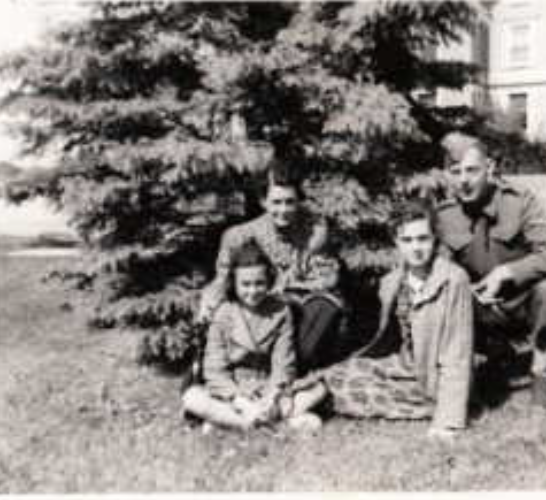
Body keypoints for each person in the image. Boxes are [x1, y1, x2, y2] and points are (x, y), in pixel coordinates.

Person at [434, 131, 546, 408]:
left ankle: (543, 378)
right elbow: (441, 270)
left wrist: (507, 272)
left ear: (490, 168)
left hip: (523, 303)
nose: (464, 180)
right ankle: (488, 360)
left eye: (472, 170)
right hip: (479, 305)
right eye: (456, 172)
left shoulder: (519, 201)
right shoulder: (445, 214)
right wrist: (465, 289)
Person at [323, 200, 474, 441]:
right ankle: (295, 407)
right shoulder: (392, 281)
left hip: (434, 376)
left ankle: (430, 407)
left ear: (435, 239)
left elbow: (457, 353)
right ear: (397, 242)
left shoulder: (453, 279)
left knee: (356, 389)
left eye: (423, 239)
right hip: (403, 365)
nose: (416, 248)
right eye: (407, 240)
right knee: (337, 373)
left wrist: (448, 421)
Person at [197, 159, 346, 372]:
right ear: (263, 201)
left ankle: (292, 368)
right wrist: (209, 300)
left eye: (289, 202)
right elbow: (222, 280)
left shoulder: (313, 230)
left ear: (298, 202)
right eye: (276, 202)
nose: (283, 210)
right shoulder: (241, 236)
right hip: (253, 309)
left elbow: (328, 277)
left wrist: (291, 290)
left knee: (324, 307)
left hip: (296, 309)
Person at [182, 240, 328, 432]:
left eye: (259, 283)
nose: (253, 291)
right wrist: (240, 401)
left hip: (269, 388)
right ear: (234, 284)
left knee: (319, 389)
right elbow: (214, 369)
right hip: (234, 391)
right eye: (245, 284)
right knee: (192, 398)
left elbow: (284, 363)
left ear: (269, 281)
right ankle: (269, 422)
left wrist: (272, 397)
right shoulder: (223, 313)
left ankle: (231, 422)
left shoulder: (281, 311)